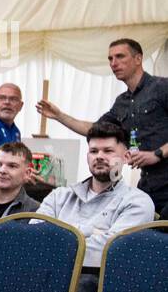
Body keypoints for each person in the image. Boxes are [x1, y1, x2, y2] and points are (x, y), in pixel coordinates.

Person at [36, 121, 154, 292]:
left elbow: (110, 250)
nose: (99, 156)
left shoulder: (137, 201)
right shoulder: (59, 195)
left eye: (108, 151)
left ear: (126, 157)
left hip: (101, 283)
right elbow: (36, 237)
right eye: (93, 151)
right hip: (49, 272)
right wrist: (91, 235)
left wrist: (60, 239)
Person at [36, 38, 168, 216]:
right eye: (110, 59)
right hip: (150, 186)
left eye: (120, 56)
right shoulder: (122, 102)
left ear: (138, 59)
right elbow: (94, 130)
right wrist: (59, 116)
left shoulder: (162, 87)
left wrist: (157, 154)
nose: (114, 63)